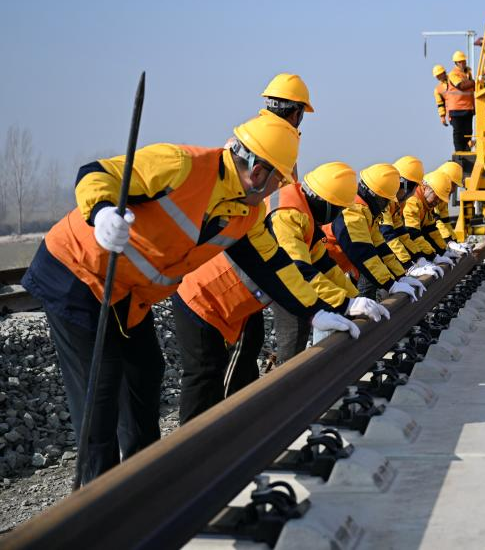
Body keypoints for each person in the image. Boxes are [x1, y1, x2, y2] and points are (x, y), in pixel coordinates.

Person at [21, 113, 299, 483]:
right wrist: (102, 212)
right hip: (77, 273)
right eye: (277, 179)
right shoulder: (183, 164)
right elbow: (96, 172)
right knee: (100, 394)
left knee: (147, 372)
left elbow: (272, 267)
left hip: (127, 293)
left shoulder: (245, 211)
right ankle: (94, 501)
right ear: (258, 170)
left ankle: (143, 482)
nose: (277, 188)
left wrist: (323, 308)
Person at [172, 162, 388, 422]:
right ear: (324, 201)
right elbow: (300, 271)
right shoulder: (289, 214)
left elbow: (322, 264)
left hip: (242, 301)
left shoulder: (304, 212)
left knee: (245, 356)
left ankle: (240, 421)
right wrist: (341, 304)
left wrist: (352, 297)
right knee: (207, 372)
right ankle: (212, 432)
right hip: (210, 297)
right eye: (338, 209)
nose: (338, 215)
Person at [329, 164, 425, 301]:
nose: (386, 206)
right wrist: (390, 284)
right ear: (376, 196)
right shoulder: (354, 213)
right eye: (385, 201)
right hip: (323, 272)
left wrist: (401, 276)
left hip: (334, 271)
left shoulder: (367, 212)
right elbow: (365, 253)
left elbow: (381, 248)